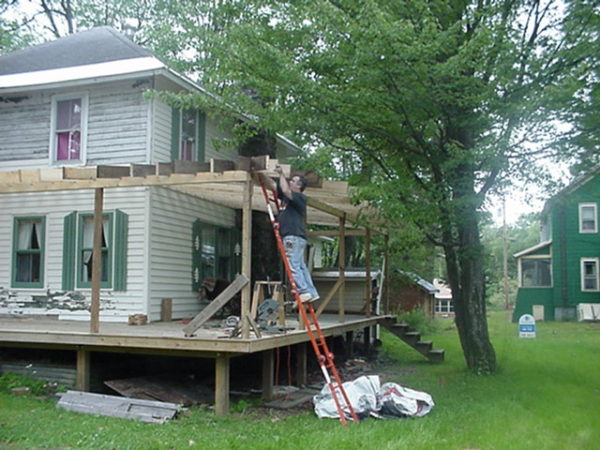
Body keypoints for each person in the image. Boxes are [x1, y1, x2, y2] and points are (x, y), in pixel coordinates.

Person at [259, 166, 320, 304]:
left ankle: (303, 291)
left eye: (292, 181)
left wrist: (281, 174)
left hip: (292, 236)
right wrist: (262, 174)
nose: (290, 182)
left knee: (293, 264)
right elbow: (274, 186)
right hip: (296, 237)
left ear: (298, 186)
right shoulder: (287, 199)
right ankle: (311, 291)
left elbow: (285, 189)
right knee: (300, 266)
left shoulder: (298, 197)